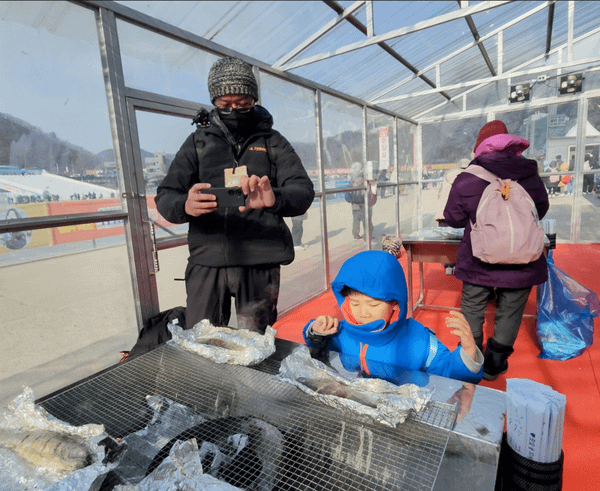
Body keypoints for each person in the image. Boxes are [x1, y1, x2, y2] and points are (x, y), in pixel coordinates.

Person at [155, 57, 315, 333]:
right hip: (208, 259)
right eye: (225, 105)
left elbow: (303, 190)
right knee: (202, 340)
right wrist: (186, 204)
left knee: (255, 340)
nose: (234, 111)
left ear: (254, 99)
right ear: (214, 101)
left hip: (259, 260)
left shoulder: (272, 141)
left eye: (242, 104)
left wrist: (274, 198)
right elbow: (166, 195)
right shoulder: (198, 142)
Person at [443, 120, 549, 381]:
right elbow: (542, 209)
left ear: (480, 147)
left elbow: (453, 218)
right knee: (511, 310)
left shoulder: (468, 177)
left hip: (479, 260)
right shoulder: (529, 173)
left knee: (472, 306)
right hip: (523, 260)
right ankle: (495, 364)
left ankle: (472, 355)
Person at [302, 251, 483, 384]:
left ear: (396, 303)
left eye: (373, 305)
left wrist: (468, 352)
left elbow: (451, 375)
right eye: (355, 304)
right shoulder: (343, 331)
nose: (363, 313)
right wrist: (316, 331)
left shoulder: (419, 340)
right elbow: (318, 347)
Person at [435, 158, 470, 226]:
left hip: (442, 216)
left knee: (445, 236)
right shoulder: (467, 177)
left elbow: (439, 195)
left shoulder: (448, 177)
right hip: (456, 217)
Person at [348, 162, 375, 241]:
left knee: (356, 219)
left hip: (355, 202)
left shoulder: (352, 179)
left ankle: (356, 234)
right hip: (363, 202)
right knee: (366, 219)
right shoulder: (364, 177)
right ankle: (368, 235)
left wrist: (351, 199)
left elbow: (347, 191)